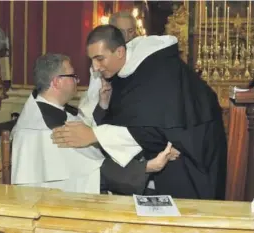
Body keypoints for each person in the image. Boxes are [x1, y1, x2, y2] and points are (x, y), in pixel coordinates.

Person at [52, 25, 227, 200]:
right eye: (92, 60)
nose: (95, 67)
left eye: (99, 59)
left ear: (120, 52)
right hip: (166, 158)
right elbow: (125, 119)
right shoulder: (124, 71)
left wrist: (95, 135)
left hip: (190, 157)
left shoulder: (157, 70)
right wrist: (104, 106)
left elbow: (152, 129)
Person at [11, 53, 178, 194]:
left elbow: (87, 133)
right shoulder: (43, 128)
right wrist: (148, 167)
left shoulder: (52, 110)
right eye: (72, 76)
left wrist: (102, 105)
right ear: (56, 82)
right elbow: (93, 172)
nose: (77, 80)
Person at [78, 11, 138, 126]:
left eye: (130, 31)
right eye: (121, 32)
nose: (126, 36)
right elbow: (93, 97)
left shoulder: (140, 59)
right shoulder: (100, 64)